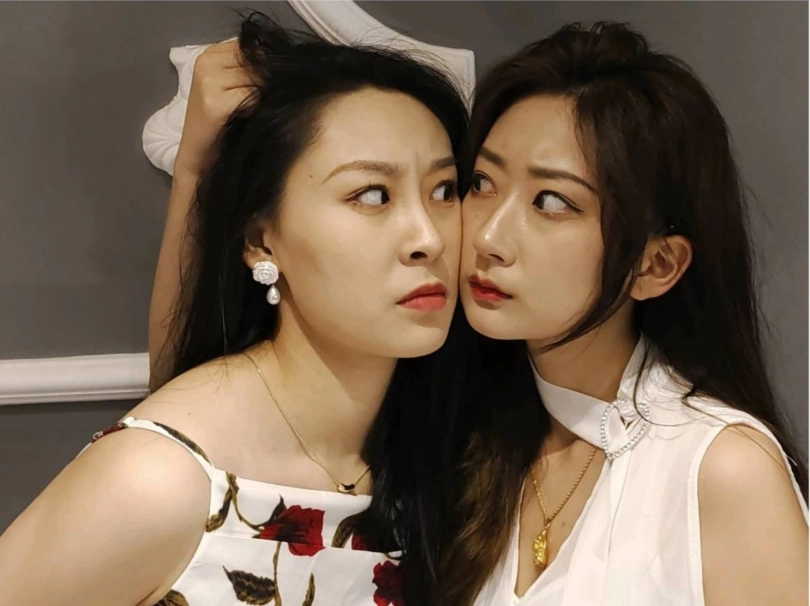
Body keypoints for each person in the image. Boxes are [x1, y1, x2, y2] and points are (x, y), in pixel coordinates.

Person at [0, 13, 470, 606]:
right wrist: (193, 173)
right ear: (262, 242)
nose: (428, 237)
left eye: (445, 191)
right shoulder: (155, 482)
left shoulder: (447, 447)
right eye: (371, 195)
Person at [438, 21, 808, 606]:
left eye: (551, 201)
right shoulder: (465, 437)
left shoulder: (722, 467)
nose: (488, 236)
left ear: (656, 265)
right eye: (482, 182)